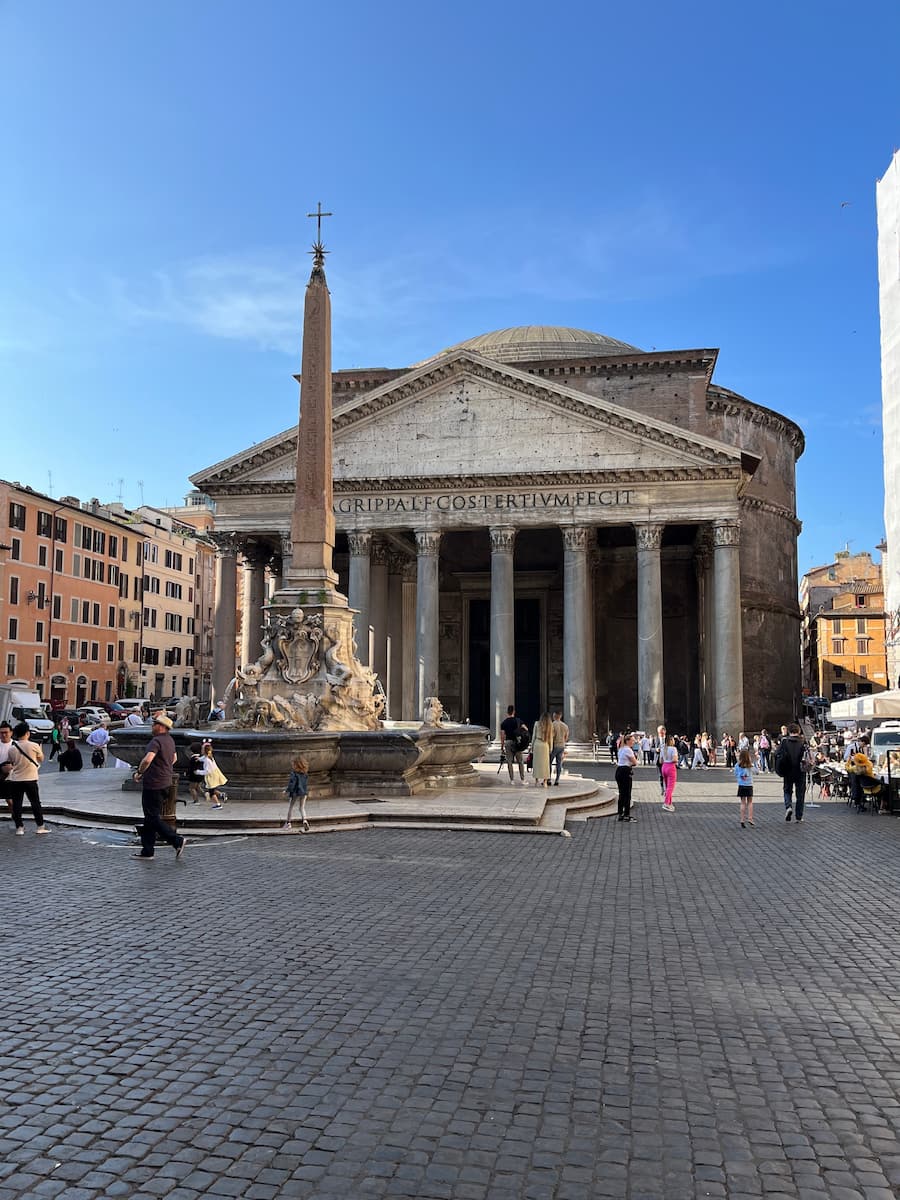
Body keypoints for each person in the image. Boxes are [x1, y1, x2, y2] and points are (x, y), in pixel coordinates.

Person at [131, 713, 186, 860]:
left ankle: (176, 840)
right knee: (150, 818)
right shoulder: (170, 740)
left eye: (154, 724)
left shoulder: (156, 741)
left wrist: (139, 772)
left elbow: (147, 759)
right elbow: (174, 758)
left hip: (153, 784)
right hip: (166, 782)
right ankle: (147, 851)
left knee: (152, 817)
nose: (152, 726)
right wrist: (164, 767)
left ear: (161, 727)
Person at [7, 722, 50, 835]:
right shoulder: (34, 745)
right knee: (35, 803)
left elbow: (11, 762)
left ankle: (19, 828)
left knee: (17, 804)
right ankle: (40, 826)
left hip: (16, 780)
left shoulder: (12, 748)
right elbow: (41, 759)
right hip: (31, 779)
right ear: (27, 733)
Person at [774, 722, 807, 823]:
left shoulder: (784, 741)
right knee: (800, 794)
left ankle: (788, 806)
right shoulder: (803, 742)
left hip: (787, 770)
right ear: (798, 731)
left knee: (787, 790)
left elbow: (776, 753)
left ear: (789, 731)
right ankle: (799, 816)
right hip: (800, 771)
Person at [500, 705, 526, 785]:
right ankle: (522, 779)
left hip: (508, 742)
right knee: (520, 761)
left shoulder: (504, 723)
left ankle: (512, 780)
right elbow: (526, 729)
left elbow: (502, 735)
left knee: (509, 762)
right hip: (517, 743)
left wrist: (502, 745)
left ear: (507, 712)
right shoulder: (518, 721)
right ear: (514, 712)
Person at [283, 755, 310, 831]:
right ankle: (305, 820)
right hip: (304, 792)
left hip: (295, 792)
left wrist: (287, 790)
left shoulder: (294, 773)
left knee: (291, 807)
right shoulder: (305, 773)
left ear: (296, 765)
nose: (292, 765)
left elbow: (292, 784)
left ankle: (288, 823)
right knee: (302, 808)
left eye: (293, 764)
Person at [616, 733, 638, 822]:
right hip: (625, 771)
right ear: (628, 741)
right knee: (627, 794)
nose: (634, 742)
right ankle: (627, 815)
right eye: (632, 740)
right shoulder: (628, 750)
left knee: (621, 793)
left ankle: (620, 814)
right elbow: (635, 762)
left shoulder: (620, 749)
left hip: (619, 770)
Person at [200, 739, 227, 808]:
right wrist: (199, 759)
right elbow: (203, 758)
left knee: (211, 792)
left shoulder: (207, 760)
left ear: (204, 751)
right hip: (214, 775)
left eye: (202, 749)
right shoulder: (209, 757)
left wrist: (198, 772)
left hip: (211, 776)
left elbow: (207, 771)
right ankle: (222, 794)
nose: (201, 750)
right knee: (212, 789)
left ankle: (218, 805)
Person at [530, 712, 553, 787]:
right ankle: (545, 781)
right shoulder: (550, 725)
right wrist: (551, 747)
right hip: (545, 745)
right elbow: (550, 738)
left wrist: (531, 746)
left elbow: (533, 736)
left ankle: (536, 780)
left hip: (537, 743)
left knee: (536, 763)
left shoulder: (537, 723)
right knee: (545, 764)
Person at [734, 748, 755, 828]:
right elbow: (756, 772)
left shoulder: (737, 765)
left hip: (741, 785)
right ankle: (750, 818)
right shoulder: (750, 765)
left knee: (743, 802)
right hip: (749, 785)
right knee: (750, 802)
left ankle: (742, 819)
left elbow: (735, 773)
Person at [549, 711, 569, 785]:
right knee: (559, 763)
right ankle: (557, 780)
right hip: (562, 746)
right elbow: (566, 738)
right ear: (560, 716)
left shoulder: (552, 725)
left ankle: (549, 779)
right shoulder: (565, 726)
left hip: (554, 745)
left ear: (554, 716)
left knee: (549, 762)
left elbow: (551, 736)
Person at [660, 734, 678, 811]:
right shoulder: (673, 749)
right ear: (671, 740)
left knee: (667, 786)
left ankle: (670, 803)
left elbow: (660, 761)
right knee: (670, 787)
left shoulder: (663, 748)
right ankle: (666, 803)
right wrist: (677, 759)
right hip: (671, 766)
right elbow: (674, 759)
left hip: (664, 766)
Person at [0, 722, 15, 813]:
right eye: (1, 732)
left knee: (10, 800)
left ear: (11, 733)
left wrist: (12, 766)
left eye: (6, 732)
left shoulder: (16, 745)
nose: (4, 735)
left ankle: (17, 820)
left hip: (11, 778)